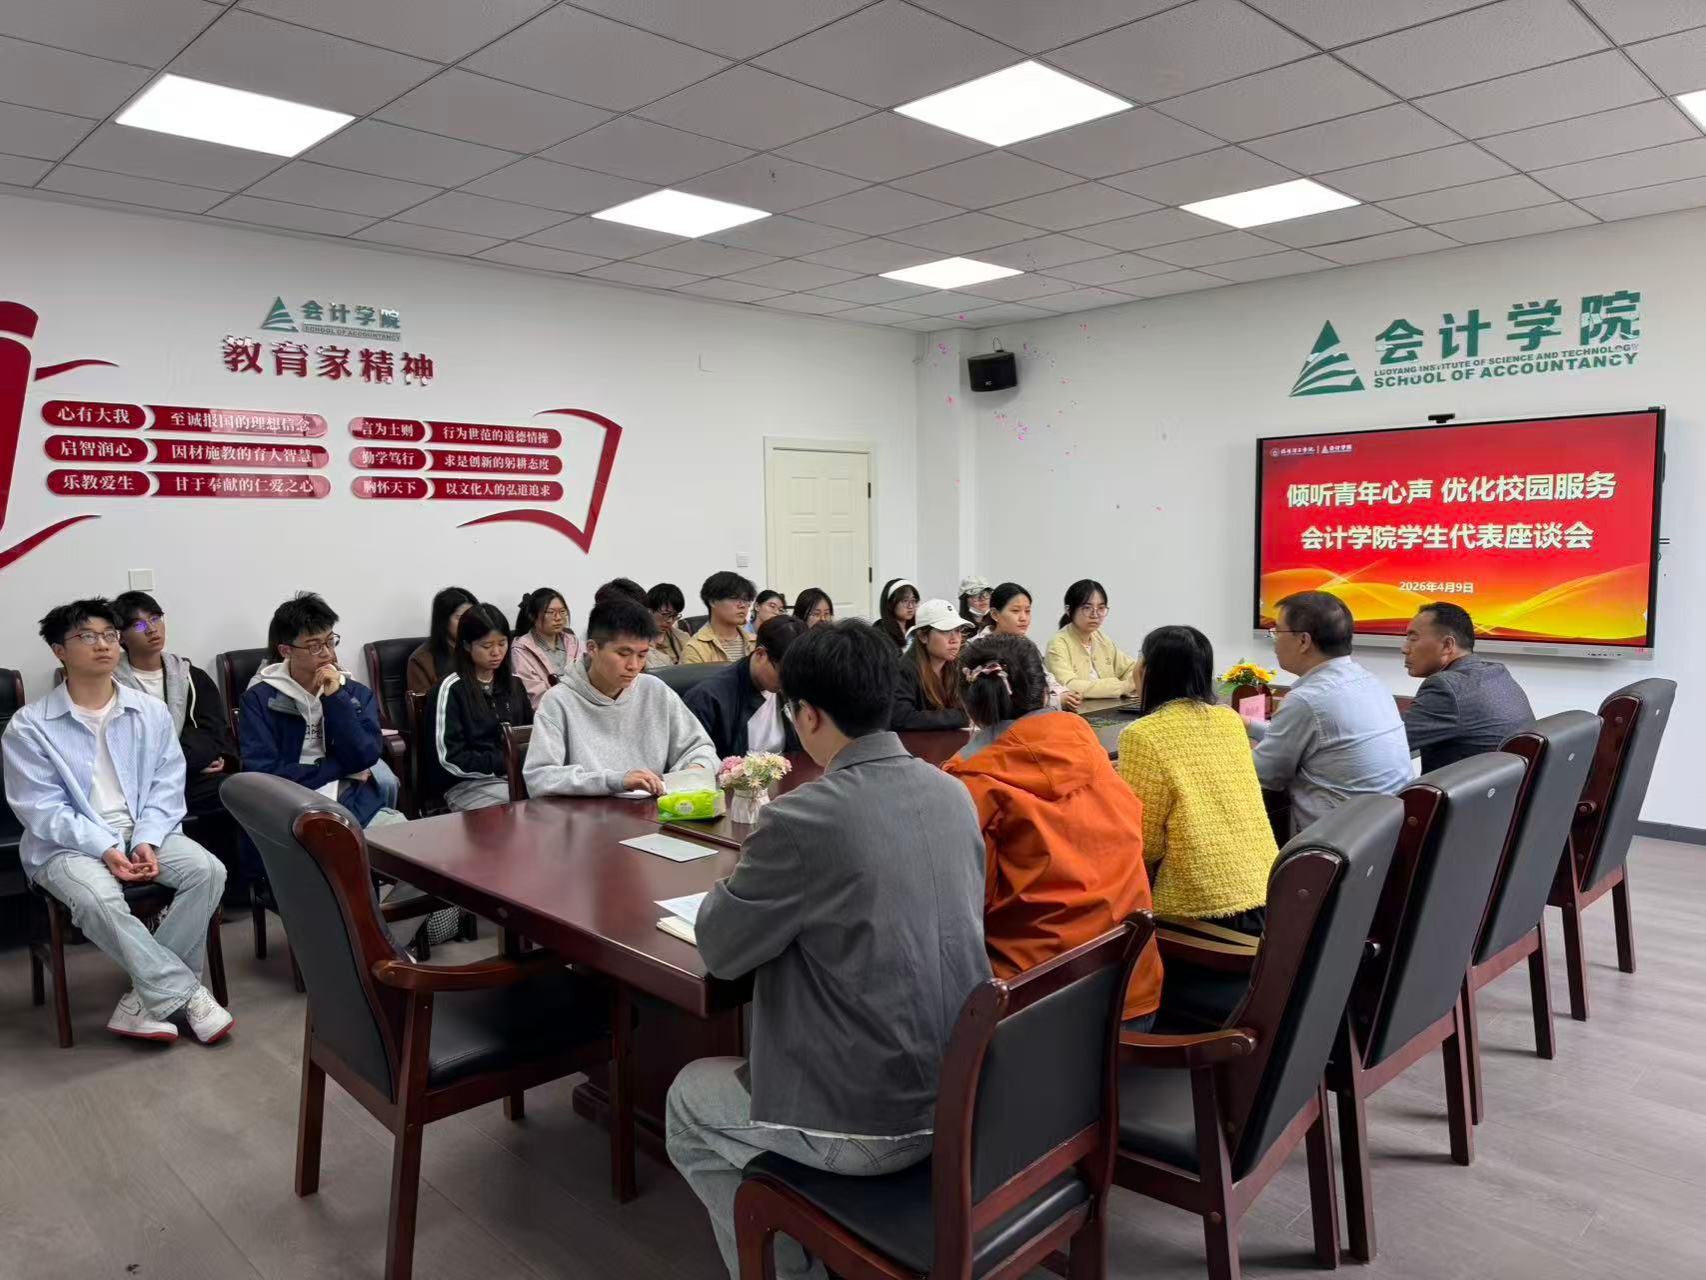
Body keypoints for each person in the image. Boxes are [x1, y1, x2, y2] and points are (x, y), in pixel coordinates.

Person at [666, 620, 990, 1280]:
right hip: (968, 1092)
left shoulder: (802, 818)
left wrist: (735, 877)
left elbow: (722, 950)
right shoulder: (953, 792)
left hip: (869, 1122)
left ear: (807, 715)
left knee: (687, 1101)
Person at [2, 598, 232, 1043]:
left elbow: (167, 785)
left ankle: (143, 1001)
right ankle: (184, 993)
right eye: (87, 636)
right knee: (98, 898)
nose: (103, 644)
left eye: (109, 635)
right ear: (59, 650)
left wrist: (145, 838)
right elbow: (42, 810)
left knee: (208, 871)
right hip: (66, 845)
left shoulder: (149, 712)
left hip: (146, 830)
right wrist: (105, 847)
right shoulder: (30, 726)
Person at [944, 634, 1163, 1030]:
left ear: (966, 703)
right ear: (1046, 690)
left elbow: (966, 909)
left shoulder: (972, 785)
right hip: (1134, 993)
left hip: (1040, 1013)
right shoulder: (1092, 752)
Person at [1116, 626, 1279, 932]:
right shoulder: (1228, 720)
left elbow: (1144, 843)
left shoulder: (1142, 735)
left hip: (1201, 910)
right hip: (1267, 891)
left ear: (1148, 670)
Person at [111, 590, 243, 903]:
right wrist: (187, 758)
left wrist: (208, 758)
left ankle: (232, 891)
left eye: (155, 619)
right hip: (137, 788)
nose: (152, 629)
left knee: (235, 790)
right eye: (139, 625)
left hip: (192, 782)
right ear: (122, 636)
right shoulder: (111, 684)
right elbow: (125, 746)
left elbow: (213, 733)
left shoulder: (191, 676)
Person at [523, 595, 717, 797]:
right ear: (592, 648)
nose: (634, 665)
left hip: (652, 809)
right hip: (589, 813)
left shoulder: (655, 690)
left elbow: (700, 748)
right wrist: (616, 781)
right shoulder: (559, 701)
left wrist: (695, 768)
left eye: (642, 655)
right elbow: (540, 778)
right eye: (623, 654)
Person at [1252, 591, 1412, 835]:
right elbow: (1309, 738)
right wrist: (1247, 724)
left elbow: (1265, 775)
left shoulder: (1307, 700)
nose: (1274, 641)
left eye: (1277, 631)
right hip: (1381, 835)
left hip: (1331, 842)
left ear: (1303, 641)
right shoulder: (1370, 682)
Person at [239, 592, 404, 829]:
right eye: (314, 646)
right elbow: (264, 774)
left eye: (330, 641)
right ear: (286, 651)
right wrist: (340, 768)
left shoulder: (354, 694)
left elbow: (365, 756)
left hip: (350, 796)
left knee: (399, 833)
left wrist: (335, 698)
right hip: (288, 804)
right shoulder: (259, 700)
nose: (327, 653)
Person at [1401, 602, 1535, 772]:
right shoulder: (1497, 673)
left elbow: (1385, 744)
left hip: (1459, 788)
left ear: (1447, 645)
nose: (1404, 648)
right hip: (1503, 786)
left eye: (1413, 638)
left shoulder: (1446, 688)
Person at [431, 603, 534, 811]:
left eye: (502, 643)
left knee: (551, 797)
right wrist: (505, 763)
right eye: (487, 646)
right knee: (522, 806)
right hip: (467, 784)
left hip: (515, 776)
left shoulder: (514, 684)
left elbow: (529, 735)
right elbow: (450, 759)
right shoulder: (451, 689)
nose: (496, 652)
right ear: (467, 645)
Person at [684, 615, 805, 759]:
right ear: (760, 655)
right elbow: (695, 758)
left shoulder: (794, 687)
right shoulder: (708, 698)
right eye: (783, 673)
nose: (789, 682)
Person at [976, 582, 1081, 711]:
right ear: (995, 614)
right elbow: (1006, 699)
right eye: (1015, 611)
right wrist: (1057, 700)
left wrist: (1065, 694)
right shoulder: (980, 649)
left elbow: (1045, 677)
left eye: (1027, 611)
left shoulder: (1026, 645)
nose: (1023, 618)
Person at [1045, 578, 1139, 699]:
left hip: (1111, 707)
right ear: (1068, 610)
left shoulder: (1101, 638)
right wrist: (1122, 687)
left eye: (1101, 608)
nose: (1095, 615)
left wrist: (1129, 684)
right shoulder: (1057, 643)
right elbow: (1068, 686)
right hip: (1078, 709)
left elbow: (1132, 669)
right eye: (1087, 608)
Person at [892, 598, 972, 731]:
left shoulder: (956, 666)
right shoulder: (904, 670)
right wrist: (961, 717)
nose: (954, 639)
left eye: (958, 630)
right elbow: (902, 719)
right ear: (923, 636)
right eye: (945, 631)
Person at [511, 587, 578, 709]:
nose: (558, 617)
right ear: (532, 616)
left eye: (562, 611)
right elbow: (534, 696)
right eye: (550, 612)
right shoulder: (521, 649)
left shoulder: (574, 642)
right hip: (546, 714)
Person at [406, 585, 476, 696]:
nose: (468, 623)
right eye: (460, 617)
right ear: (444, 620)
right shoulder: (421, 660)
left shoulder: (482, 649)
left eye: (472, 616)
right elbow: (426, 704)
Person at [680, 571, 757, 665]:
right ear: (713, 601)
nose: (743, 605)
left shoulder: (756, 642)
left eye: (746, 600)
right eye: (734, 598)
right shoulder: (695, 649)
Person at [645, 582, 689, 669]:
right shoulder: (636, 640)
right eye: (665, 614)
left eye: (674, 615)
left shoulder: (683, 638)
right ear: (649, 611)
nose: (670, 620)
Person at [874, 578, 919, 649]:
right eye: (905, 601)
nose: (910, 606)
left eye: (913, 600)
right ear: (890, 604)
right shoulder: (880, 632)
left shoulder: (914, 630)